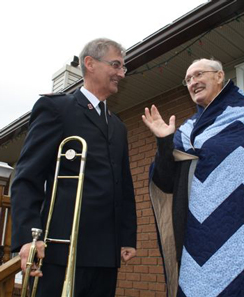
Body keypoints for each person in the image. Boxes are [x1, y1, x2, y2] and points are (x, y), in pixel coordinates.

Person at [142, 58, 244, 297]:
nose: (193, 82)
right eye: (187, 80)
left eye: (198, 75)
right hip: (201, 234)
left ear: (219, 76)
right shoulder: (187, 131)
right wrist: (165, 142)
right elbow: (165, 182)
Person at [11, 38, 137, 297]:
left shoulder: (118, 126)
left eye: (123, 68)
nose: (121, 74)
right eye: (116, 65)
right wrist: (28, 238)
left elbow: (123, 184)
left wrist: (127, 237)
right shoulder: (57, 108)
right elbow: (27, 177)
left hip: (105, 252)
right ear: (90, 63)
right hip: (61, 249)